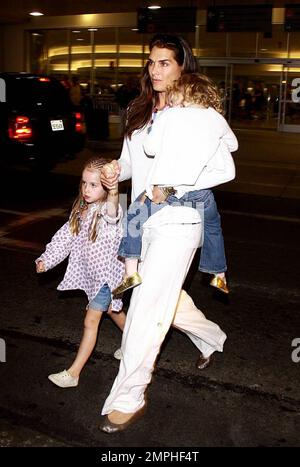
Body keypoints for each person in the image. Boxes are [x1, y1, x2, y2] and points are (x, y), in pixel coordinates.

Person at [99, 34, 227, 433]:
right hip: (140, 219)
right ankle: (212, 337)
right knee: (161, 294)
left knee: (147, 306)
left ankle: (130, 394)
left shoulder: (196, 110)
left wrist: (172, 189)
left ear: (183, 66)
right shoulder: (140, 109)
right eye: (151, 62)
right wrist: (114, 172)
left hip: (179, 219)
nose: (155, 70)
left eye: (165, 62)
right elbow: (131, 163)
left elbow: (222, 169)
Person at [112, 72, 238, 298]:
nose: (170, 98)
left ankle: (130, 271)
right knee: (213, 227)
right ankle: (219, 273)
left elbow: (149, 148)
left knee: (134, 216)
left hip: (167, 189)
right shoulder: (215, 118)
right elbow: (232, 144)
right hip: (201, 194)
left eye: (174, 93)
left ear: (184, 94)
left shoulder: (170, 116)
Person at [35, 157, 126, 388]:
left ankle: (74, 373)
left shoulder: (109, 209)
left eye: (94, 185)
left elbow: (113, 212)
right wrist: (47, 259)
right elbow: (64, 238)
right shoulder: (81, 209)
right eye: (84, 183)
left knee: (91, 320)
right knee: (113, 311)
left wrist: (114, 190)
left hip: (107, 276)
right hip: (91, 276)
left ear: (106, 186)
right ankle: (137, 343)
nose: (86, 189)